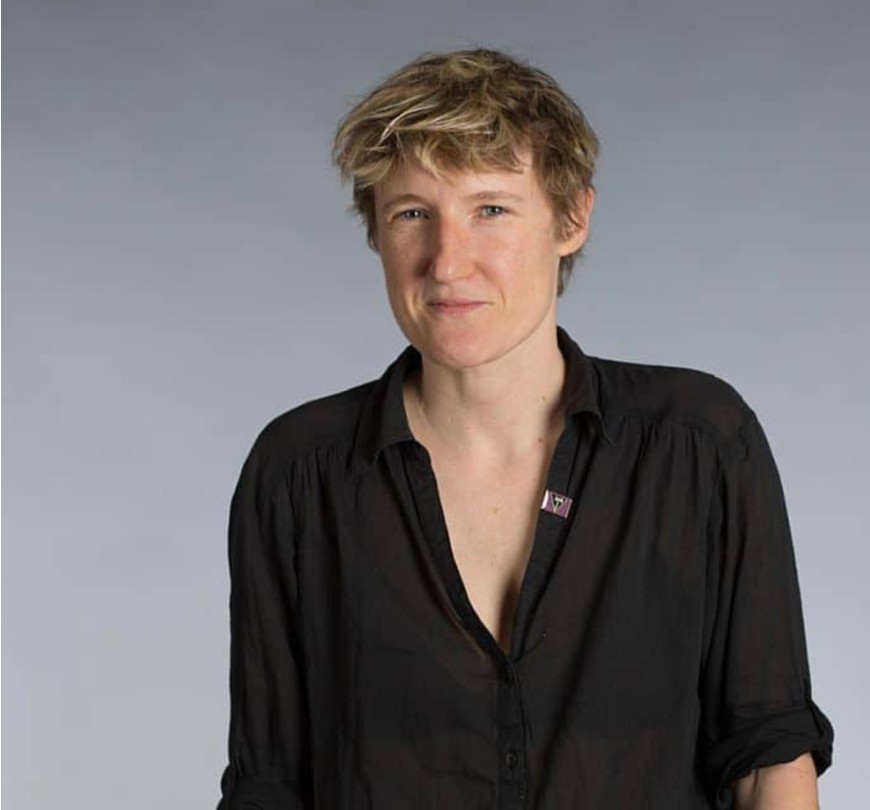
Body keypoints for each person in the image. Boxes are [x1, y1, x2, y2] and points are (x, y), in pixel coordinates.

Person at [217, 49, 833, 809]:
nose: (448, 263)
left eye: (492, 210)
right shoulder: (298, 474)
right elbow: (269, 785)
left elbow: (769, 755)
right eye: (412, 213)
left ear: (571, 219)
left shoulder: (699, 444)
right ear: (377, 230)